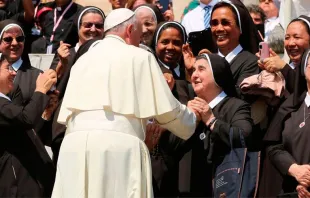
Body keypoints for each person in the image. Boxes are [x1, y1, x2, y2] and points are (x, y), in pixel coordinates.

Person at [52, 8, 197, 198]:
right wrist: (191, 120)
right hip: (118, 148)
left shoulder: (82, 60)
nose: (138, 42)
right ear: (129, 31)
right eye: (138, 35)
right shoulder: (140, 56)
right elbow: (167, 111)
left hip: (74, 148)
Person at [183, 53, 254, 197]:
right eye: (193, 70)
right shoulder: (190, 109)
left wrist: (211, 120)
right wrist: (188, 121)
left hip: (225, 187)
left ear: (217, 74)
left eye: (201, 69)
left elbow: (244, 137)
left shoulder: (235, 106)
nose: (194, 75)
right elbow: (172, 151)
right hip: (192, 189)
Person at [48, 6, 105, 163]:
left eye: (99, 26)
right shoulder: (66, 54)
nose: (93, 29)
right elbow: (50, 89)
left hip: (100, 129)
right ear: (78, 27)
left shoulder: (111, 56)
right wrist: (62, 64)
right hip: (66, 131)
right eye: (88, 25)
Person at [0, 60, 57, 197]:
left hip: (30, 179)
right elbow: (26, 118)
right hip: (16, 184)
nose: (14, 72)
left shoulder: (7, 101)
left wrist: (46, 112)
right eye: (8, 68)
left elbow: (27, 129)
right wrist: (40, 90)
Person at [265, 49, 310, 197]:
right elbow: (273, 145)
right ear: (304, 67)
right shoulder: (290, 107)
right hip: (291, 189)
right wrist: (294, 169)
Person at [210, 0, 261, 97]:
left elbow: (240, 98)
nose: (219, 28)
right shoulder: (208, 60)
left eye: (225, 23)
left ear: (240, 28)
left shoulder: (251, 62)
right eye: (214, 23)